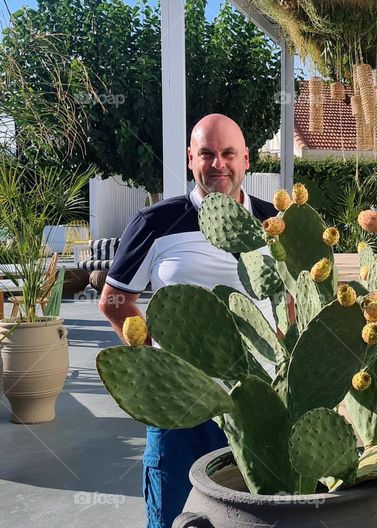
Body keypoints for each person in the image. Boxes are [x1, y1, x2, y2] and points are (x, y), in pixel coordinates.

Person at [99, 114, 277, 528]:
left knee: (257, 515)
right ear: (190, 159)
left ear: (246, 159)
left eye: (228, 153)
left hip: (258, 401)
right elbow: (113, 300)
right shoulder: (156, 223)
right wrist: (154, 365)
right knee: (176, 516)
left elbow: (287, 298)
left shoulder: (273, 223)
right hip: (181, 406)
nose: (218, 164)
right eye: (207, 154)